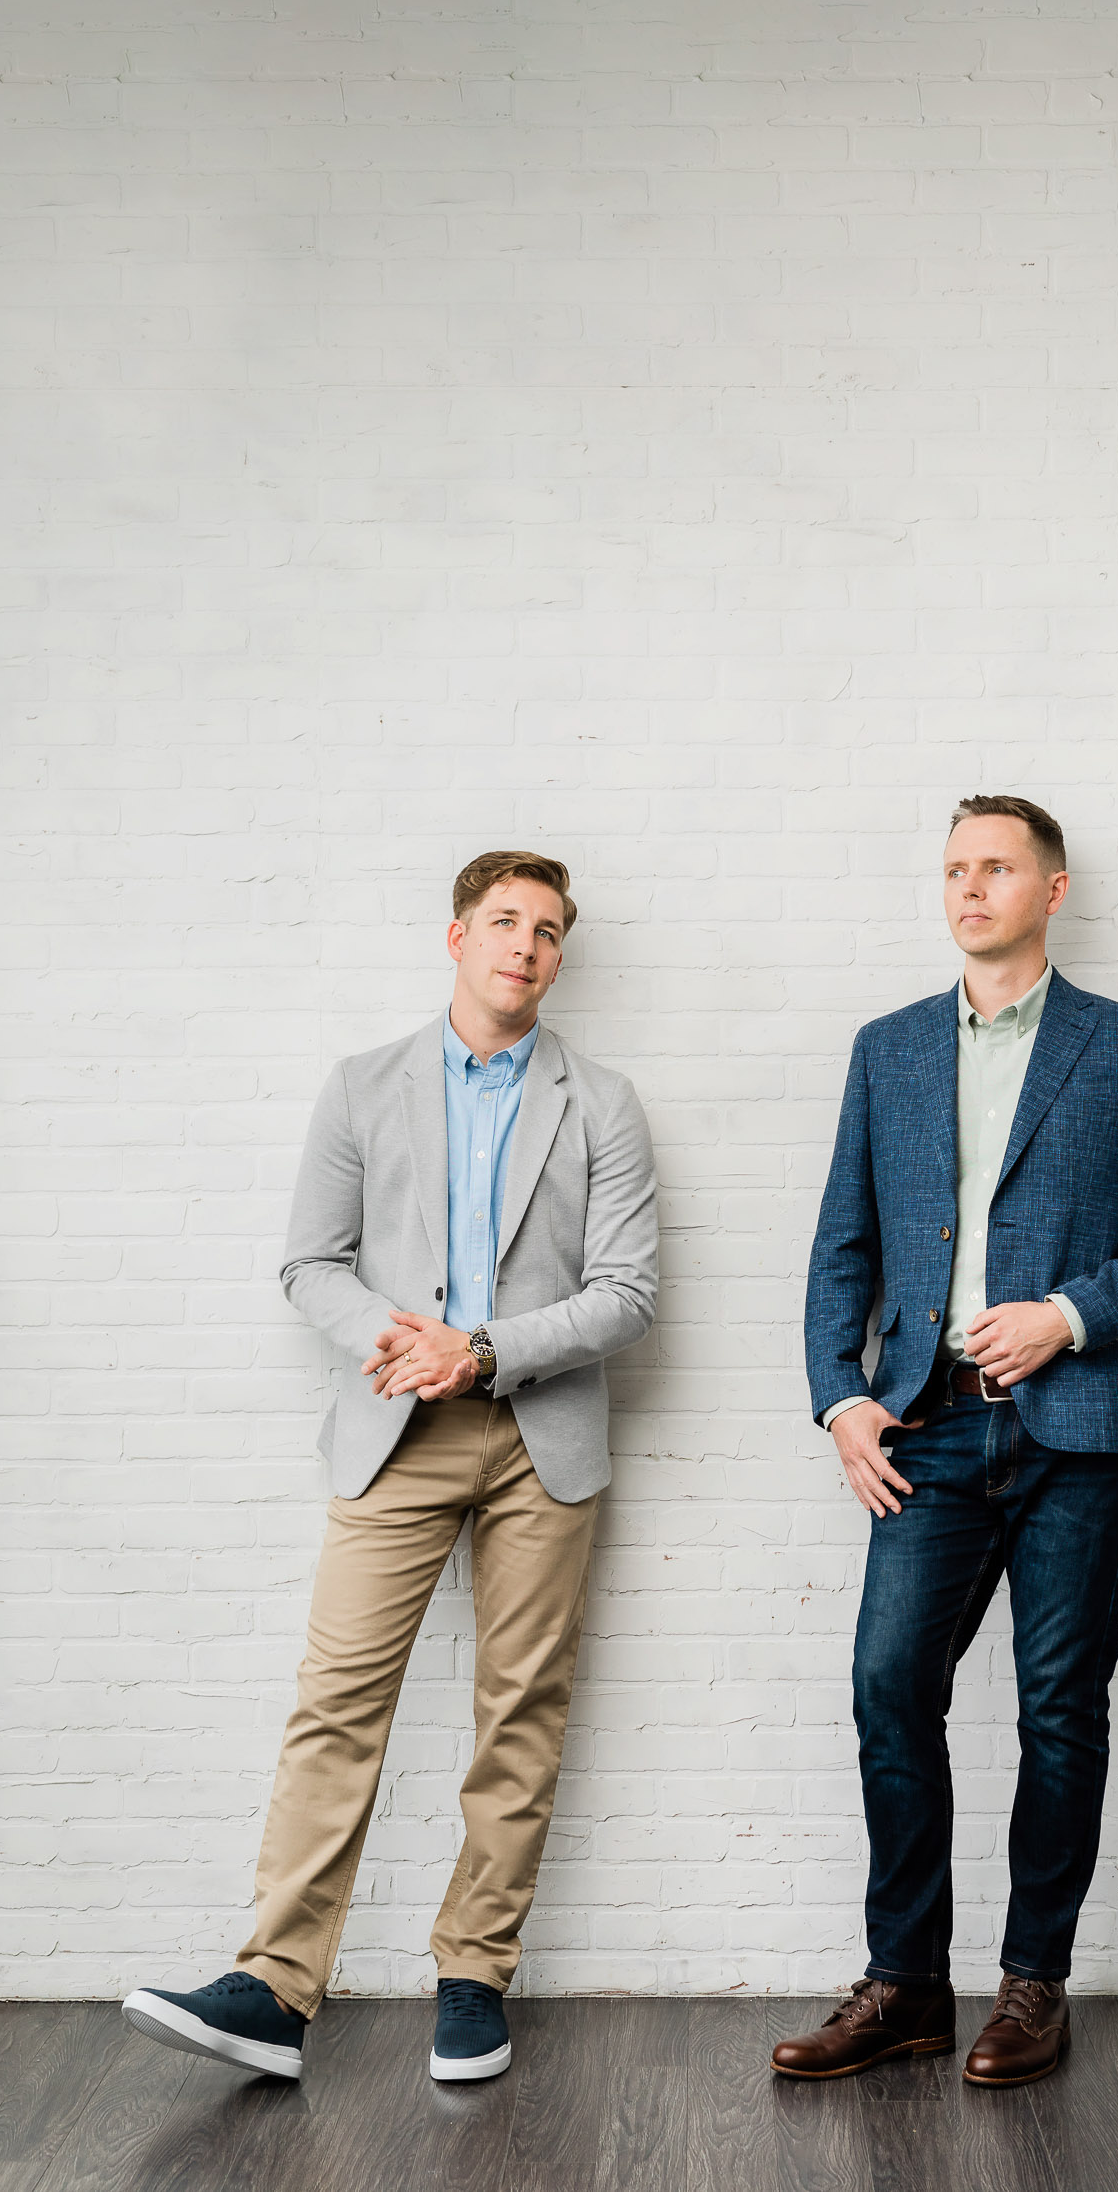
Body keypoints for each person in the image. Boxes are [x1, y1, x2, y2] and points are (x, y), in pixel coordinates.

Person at [123, 851, 658, 2083]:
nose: (526, 946)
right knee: (337, 1705)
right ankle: (271, 1987)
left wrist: (479, 1351)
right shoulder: (363, 1088)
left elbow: (629, 1297)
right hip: (394, 1433)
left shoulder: (605, 1104)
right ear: (458, 937)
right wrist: (407, 1351)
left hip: (542, 1434)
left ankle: (473, 1977)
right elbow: (312, 1264)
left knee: (518, 1709)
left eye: (549, 931)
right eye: (505, 923)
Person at [771, 796, 1118, 2086]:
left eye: (998, 868)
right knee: (887, 1686)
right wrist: (841, 1397)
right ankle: (908, 1984)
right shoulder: (889, 1049)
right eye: (956, 868)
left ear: (1054, 889)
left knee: (1058, 1712)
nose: (971, 888)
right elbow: (840, 1251)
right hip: (927, 1430)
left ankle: (1034, 1985)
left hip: (1081, 1435)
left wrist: (1070, 1316)